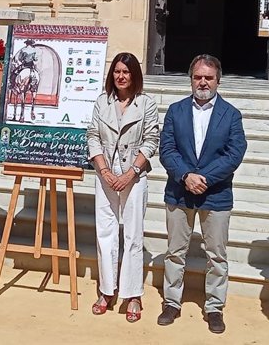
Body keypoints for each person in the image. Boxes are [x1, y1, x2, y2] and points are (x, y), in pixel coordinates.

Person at [157, 54, 247, 334]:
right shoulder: (176, 110)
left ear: (218, 80)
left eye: (209, 77)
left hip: (215, 194)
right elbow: (167, 149)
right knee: (175, 252)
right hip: (179, 193)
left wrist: (205, 178)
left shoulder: (231, 114)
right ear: (191, 79)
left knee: (217, 255)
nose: (203, 82)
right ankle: (172, 302)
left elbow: (235, 153)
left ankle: (214, 307)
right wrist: (185, 175)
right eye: (198, 77)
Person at [86, 52, 160, 323]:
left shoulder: (146, 104)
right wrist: (104, 169)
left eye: (126, 72)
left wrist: (131, 172)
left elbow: (152, 139)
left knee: (132, 234)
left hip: (134, 175)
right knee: (105, 232)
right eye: (117, 71)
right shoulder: (101, 102)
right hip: (105, 173)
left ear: (134, 75)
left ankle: (132, 293)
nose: (121, 76)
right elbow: (92, 135)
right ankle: (107, 290)